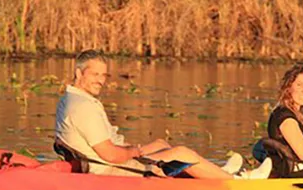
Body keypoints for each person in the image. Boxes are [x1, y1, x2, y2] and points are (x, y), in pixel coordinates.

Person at [55, 50, 270, 179]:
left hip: (106, 162)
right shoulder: (84, 106)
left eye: (103, 74)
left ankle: (215, 172)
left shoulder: (71, 98)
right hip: (110, 170)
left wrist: (139, 150)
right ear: (78, 73)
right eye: (95, 74)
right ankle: (235, 182)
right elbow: (111, 155)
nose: (101, 80)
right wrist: (137, 150)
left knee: (160, 143)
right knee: (183, 153)